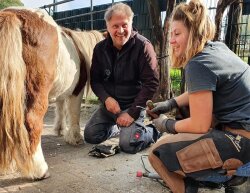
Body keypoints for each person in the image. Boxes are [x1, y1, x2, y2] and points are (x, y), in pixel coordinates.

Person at [147, 0, 250, 193]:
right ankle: (229, 177)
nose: (171, 40)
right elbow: (200, 91)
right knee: (186, 109)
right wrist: (170, 103)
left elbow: (200, 125)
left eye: (177, 34)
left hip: (242, 142)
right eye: (171, 34)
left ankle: (233, 175)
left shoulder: (198, 64)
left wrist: (165, 124)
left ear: (193, 33)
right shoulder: (217, 48)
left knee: (156, 154)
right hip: (243, 131)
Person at [84, 2, 159, 154]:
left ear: (131, 23)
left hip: (133, 105)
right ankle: (120, 128)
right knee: (90, 136)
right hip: (110, 107)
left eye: (125, 25)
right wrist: (106, 99)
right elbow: (96, 81)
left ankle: (153, 131)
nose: (120, 30)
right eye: (115, 26)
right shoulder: (100, 49)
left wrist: (131, 113)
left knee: (128, 145)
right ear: (107, 26)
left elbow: (151, 83)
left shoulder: (143, 46)